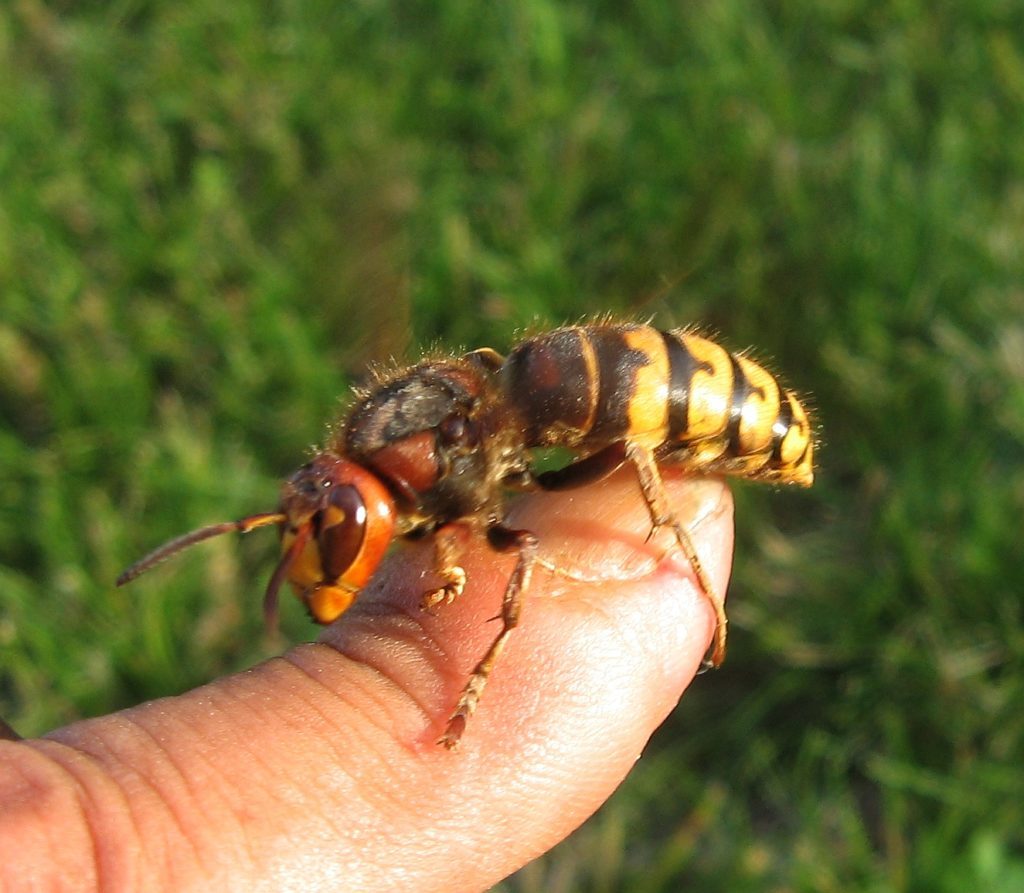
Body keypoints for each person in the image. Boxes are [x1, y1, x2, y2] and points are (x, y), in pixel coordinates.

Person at [0, 469, 732, 892]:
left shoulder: (461, 457)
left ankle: (659, 551)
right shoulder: (417, 473)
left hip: (661, 391)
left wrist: (474, 672)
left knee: (534, 541)